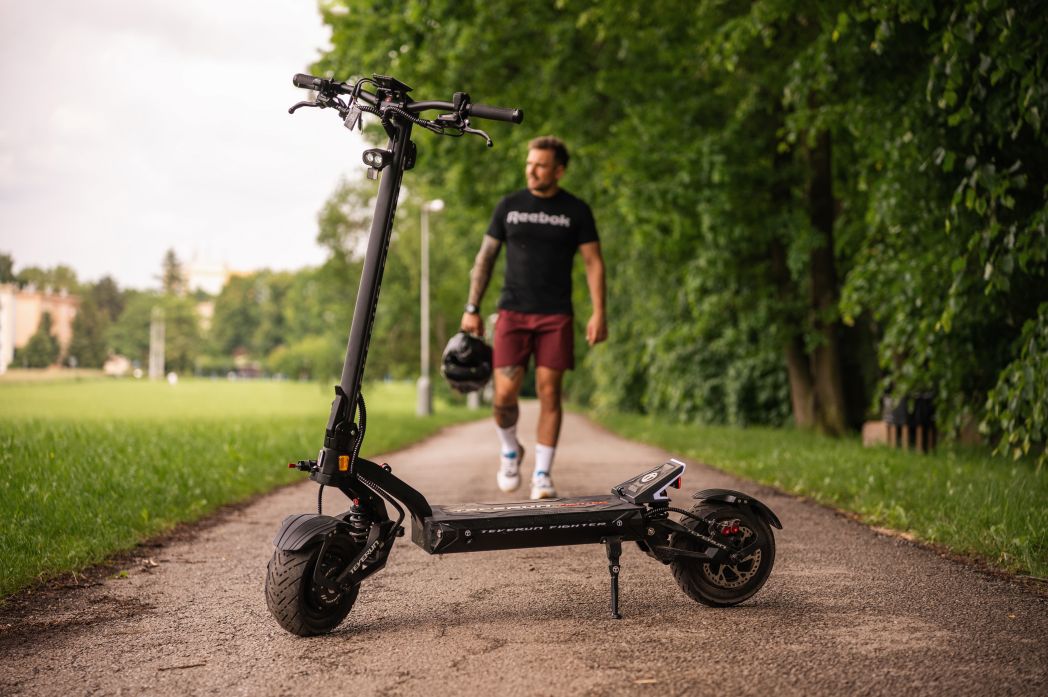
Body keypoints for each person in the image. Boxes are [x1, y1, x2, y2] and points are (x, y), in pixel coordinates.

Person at [460, 136, 607, 500]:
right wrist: (471, 308)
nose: (532, 170)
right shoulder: (509, 206)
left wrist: (599, 312)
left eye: (541, 165)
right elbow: (485, 259)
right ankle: (511, 451)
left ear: (558, 170)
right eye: (530, 163)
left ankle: (542, 474)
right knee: (504, 395)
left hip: (555, 315)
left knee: (549, 394)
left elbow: (593, 262)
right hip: (512, 312)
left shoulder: (576, 210)